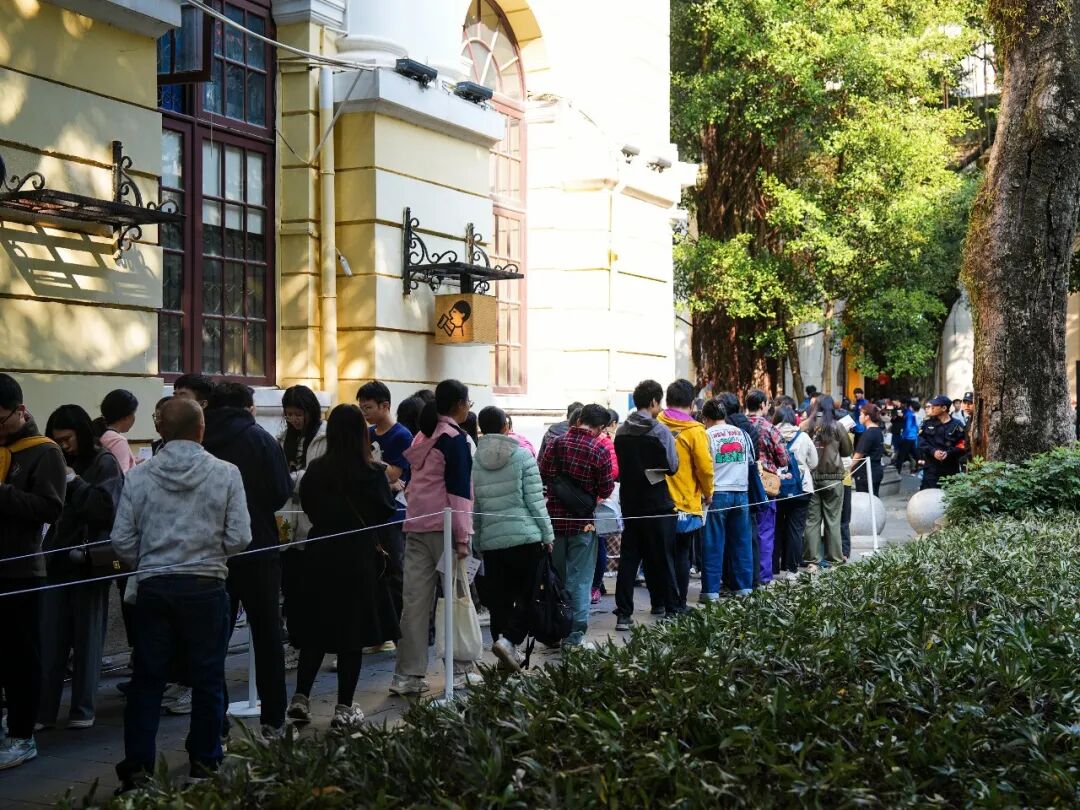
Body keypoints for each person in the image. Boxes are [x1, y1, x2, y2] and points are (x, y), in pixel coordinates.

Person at [110, 398, 251, 790]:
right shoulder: (226, 473)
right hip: (206, 586)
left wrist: (151, 558)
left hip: (154, 587)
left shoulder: (139, 476)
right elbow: (240, 536)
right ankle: (204, 764)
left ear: (160, 431)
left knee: (147, 681)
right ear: (201, 430)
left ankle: (138, 769)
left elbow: (121, 539)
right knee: (208, 679)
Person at [286, 405, 398, 729]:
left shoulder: (316, 469)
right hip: (358, 555)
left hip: (320, 552)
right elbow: (384, 511)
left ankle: (301, 697)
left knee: (316, 629)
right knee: (352, 634)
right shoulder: (372, 471)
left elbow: (309, 506)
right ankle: (344, 707)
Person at [202, 383, 292, 735]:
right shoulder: (261, 439)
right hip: (258, 545)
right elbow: (280, 492)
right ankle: (274, 720)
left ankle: (215, 723)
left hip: (211, 549)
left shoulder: (198, 438)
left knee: (212, 639)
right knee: (267, 635)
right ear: (248, 407)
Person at [37, 405, 124, 731]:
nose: (63, 446)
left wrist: (74, 483)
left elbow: (106, 510)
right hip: (54, 560)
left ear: (82, 434)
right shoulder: (53, 459)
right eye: (57, 440)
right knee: (50, 639)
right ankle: (44, 710)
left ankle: (83, 709)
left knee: (88, 640)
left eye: (68, 439)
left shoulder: (104, 462)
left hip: (89, 562)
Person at [391, 380, 477, 697]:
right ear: (459, 404)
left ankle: (407, 675)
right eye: (468, 402)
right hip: (446, 528)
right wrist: (463, 537)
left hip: (415, 525)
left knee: (414, 603)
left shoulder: (422, 435)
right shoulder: (455, 438)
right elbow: (459, 492)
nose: (468, 407)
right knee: (456, 598)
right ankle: (462, 670)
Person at [0, 374, 66, 771]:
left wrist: (3, 494)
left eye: (0, 420)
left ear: (20, 411)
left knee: (20, 658)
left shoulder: (44, 452)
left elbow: (50, 508)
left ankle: (23, 734)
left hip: (21, 569)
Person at [471, 406, 554, 671]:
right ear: (506, 427)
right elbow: (535, 501)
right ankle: (509, 641)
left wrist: (478, 540)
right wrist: (548, 534)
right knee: (532, 596)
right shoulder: (522, 456)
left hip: (492, 542)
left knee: (500, 602)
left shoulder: (475, 461)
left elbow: (476, 506)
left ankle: (504, 651)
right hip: (526, 538)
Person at [541, 403, 615, 645]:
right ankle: (573, 635)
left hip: (555, 521)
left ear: (579, 418)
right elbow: (606, 488)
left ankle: (554, 629)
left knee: (557, 577)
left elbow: (543, 473)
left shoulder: (556, 443)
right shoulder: (599, 449)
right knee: (580, 580)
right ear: (599, 427)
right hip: (583, 523)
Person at [613, 380, 679, 630]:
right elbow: (672, 466)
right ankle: (669, 607)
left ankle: (623, 614)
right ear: (653, 402)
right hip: (657, 503)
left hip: (630, 502)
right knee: (663, 557)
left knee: (629, 559)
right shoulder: (660, 431)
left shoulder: (621, 431)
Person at [276, 385, 326, 670]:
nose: (295, 419)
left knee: (312, 588)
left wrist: (292, 478)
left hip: (312, 519)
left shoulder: (324, 436)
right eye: (289, 414)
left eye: (299, 414)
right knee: (291, 587)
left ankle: (312, 642)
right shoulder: (282, 438)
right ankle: (295, 643)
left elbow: (319, 474)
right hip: (287, 520)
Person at [357, 381, 412, 626]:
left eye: (368, 407)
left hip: (394, 514)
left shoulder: (402, 435)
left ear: (385, 406)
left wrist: (370, 462)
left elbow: (394, 474)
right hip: (371, 512)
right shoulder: (368, 434)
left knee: (395, 569)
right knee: (374, 569)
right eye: (361, 408)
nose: (364, 412)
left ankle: (397, 623)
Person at [657, 379, 713, 611]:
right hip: (685, 502)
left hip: (658, 501)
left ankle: (660, 602)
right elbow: (705, 468)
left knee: (661, 554)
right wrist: (708, 493)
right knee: (682, 554)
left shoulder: (656, 424)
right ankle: (678, 603)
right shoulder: (695, 431)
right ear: (691, 404)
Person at [699, 398, 754, 598]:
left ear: (706, 418)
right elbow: (751, 462)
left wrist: (705, 493)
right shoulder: (742, 434)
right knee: (742, 543)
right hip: (741, 492)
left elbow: (704, 466)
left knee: (713, 544)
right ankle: (744, 588)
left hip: (717, 494)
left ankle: (711, 592)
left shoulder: (706, 436)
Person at [801, 395, 852, 570]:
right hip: (833, 479)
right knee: (833, 520)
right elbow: (846, 451)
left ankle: (812, 561)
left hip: (811, 478)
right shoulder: (837, 426)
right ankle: (834, 561)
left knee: (812, 521)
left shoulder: (806, 426)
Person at [745, 389, 789, 586]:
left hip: (740, 483)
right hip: (765, 485)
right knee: (765, 531)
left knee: (742, 531)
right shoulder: (769, 429)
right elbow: (784, 458)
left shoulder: (737, 425)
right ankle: (763, 575)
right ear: (763, 405)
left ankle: (744, 576)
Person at [773, 406, 816, 580]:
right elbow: (814, 462)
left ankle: (773, 568)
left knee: (775, 527)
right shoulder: (803, 437)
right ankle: (792, 569)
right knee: (795, 530)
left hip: (776, 488)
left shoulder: (771, 435)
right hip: (801, 489)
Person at [592, 409, 621, 604]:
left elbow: (613, 471)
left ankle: (596, 584)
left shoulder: (605, 442)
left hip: (598, 501)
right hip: (588, 500)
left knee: (599, 543)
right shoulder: (604, 441)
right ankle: (595, 585)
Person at [917, 395, 968, 490]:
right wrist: (933, 451)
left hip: (950, 470)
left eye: (935, 406)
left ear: (944, 408)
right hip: (931, 470)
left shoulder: (957, 424)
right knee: (929, 496)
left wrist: (948, 453)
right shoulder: (927, 423)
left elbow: (962, 444)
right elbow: (921, 442)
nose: (931, 408)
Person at [93, 389, 140, 473]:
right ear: (126, 417)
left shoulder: (99, 430)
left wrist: (131, 461)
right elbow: (121, 476)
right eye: (133, 413)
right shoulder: (118, 441)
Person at [852, 404, 885, 495]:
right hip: (876, 470)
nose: (859, 417)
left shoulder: (868, 434)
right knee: (874, 498)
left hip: (866, 473)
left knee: (865, 499)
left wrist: (848, 468)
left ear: (867, 417)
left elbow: (858, 456)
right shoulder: (878, 431)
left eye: (861, 414)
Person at [892, 398, 919, 474]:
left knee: (901, 455)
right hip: (913, 436)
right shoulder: (912, 414)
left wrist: (904, 435)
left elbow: (908, 426)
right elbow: (915, 426)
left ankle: (898, 471)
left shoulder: (909, 413)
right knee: (914, 454)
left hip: (908, 437)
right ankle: (918, 466)